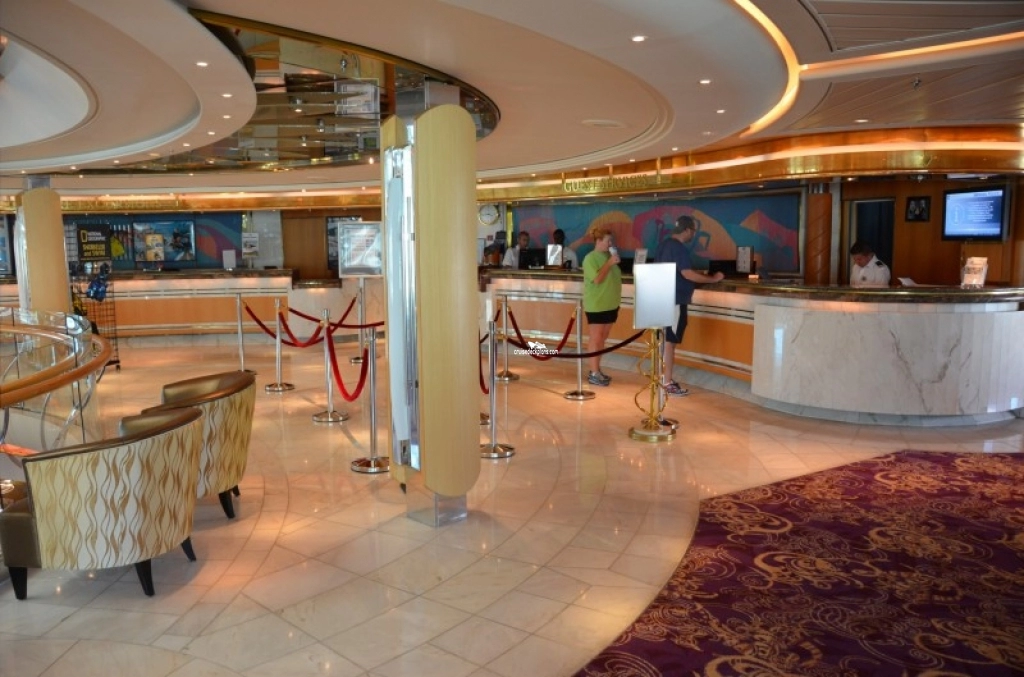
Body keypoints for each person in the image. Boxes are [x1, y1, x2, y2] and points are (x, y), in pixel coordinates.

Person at [654, 215, 724, 397]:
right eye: (693, 231)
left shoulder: (663, 245)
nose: (693, 234)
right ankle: (667, 382)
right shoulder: (678, 248)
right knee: (670, 342)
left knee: (664, 340)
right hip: (675, 300)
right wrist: (713, 279)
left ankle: (662, 378)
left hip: (662, 299)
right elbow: (687, 274)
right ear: (686, 230)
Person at [581, 224, 622, 386]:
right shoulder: (590, 258)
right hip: (597, 304)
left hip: (611, 304)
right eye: (608, 241)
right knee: (596, 338)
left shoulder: (608, 256)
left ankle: (597, 369)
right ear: (598, 241)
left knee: (602, 338)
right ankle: (593, 373)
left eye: (611, 241)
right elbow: (597, 279)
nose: (610, 244)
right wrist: (610, 263)